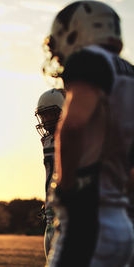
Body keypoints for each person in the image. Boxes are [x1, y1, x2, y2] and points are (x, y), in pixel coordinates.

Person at [42, 1, 134, 266]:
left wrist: (66, 187)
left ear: (75, 31)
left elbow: (73, 126)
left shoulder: (90, 60)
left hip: (88, 220)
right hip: (121, 223)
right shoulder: (129, 72)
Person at [35, 88, 65, 260]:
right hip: (51, 212)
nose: (46, 120)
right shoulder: (47, 141)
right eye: (43, 115)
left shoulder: (77, 136)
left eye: (51, 114)